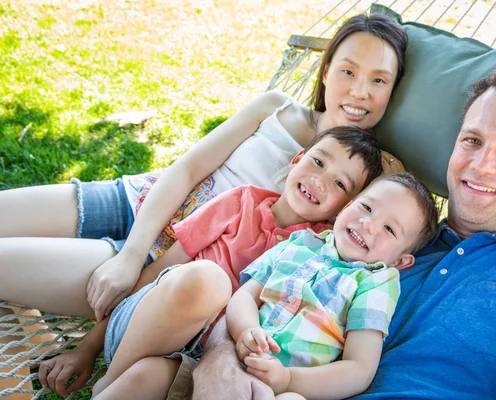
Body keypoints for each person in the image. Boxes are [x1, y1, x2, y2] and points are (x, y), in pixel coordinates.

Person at [0, 13, 407, 396]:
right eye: (348, 71)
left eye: (378, 80)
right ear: (326, 69)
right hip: (142, 206)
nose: (358, 91)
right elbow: (189, 167)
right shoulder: (276, 107)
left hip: (175, 283)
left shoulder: (372, 185)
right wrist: (130, 255)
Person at [190, 69, 496, 400]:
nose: (482, 165)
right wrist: (220, 361)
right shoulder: (368, 238)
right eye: (472, 140)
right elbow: (262, 300)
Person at [40, 126, 384, 399]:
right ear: (296, 160)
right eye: (318, 162)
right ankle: (107, 382)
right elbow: (156, 274)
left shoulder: (317, 251)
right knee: (210, 281)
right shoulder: (239, 203)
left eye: (340, 183)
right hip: (145, 328)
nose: (319, 181)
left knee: (151, 379)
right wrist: (87, 348)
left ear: (345, 208)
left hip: (203, 366)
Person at [227, 172, 438, 400]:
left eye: (389, 229)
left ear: (400, 261)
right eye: (366, 207)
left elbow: (359, 369)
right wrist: (246, 330)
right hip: (234, 360)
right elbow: (246, 295)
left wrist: (288, 379)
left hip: (288, 388)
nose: (368, 224)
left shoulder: (375, 283)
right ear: (347, 206)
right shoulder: (300, 242)